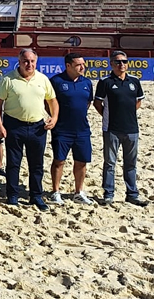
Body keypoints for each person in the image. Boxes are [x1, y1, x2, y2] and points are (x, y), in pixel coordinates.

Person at [0, 49, 58, 210]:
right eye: (25, 61)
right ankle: (12, 195)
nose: (29, 64)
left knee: (36, 164)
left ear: (36, 62)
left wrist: (54, 117)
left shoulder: (43, 79)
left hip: (37, 127)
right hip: (14, 125)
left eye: (32, 61)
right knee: (14, 163)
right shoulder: (8, 79)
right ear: (20, 62)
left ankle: (36, 196)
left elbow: (52, 100)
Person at [94, 51, 148, 206]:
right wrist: (109, 115)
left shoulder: (134, 81)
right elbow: (98, 104)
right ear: (111, 64)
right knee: (110, 163)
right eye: (118, 62)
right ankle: (108, 194)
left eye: (124, 61)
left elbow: (138, 101)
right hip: (112, 128)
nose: (121, 65)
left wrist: (127, 113)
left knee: (130, 164)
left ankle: (132, 194)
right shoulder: (105, 82)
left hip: (132, 129)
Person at [49, 53, 96, 205]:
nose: (82, 67)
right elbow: (48, 102)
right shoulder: (56, 81)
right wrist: (54, 117)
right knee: (59, 161)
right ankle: (55, 192)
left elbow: (87, 102)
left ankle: (79, 192)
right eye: (78, 65)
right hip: (62, 129)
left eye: (83, 64)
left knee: (82, 161)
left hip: (82, 129)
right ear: (68, 66)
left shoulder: (86, 82)